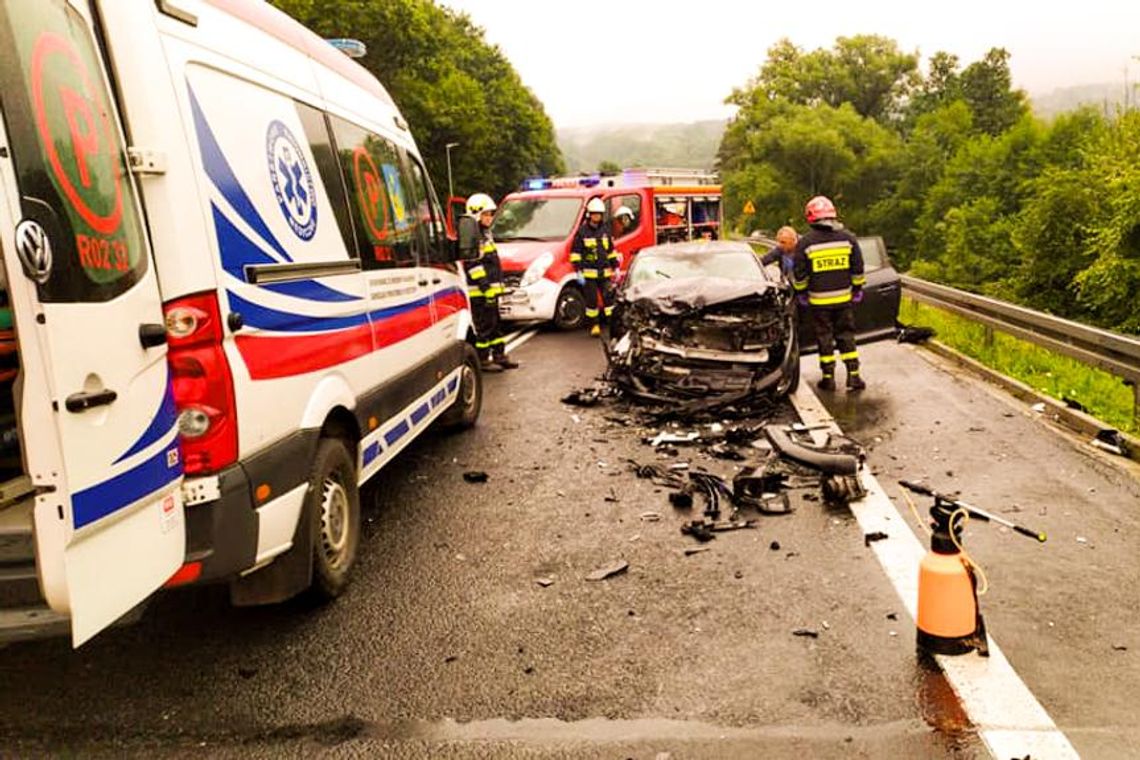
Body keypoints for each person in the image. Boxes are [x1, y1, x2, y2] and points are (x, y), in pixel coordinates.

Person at [792, 196, 866, 391]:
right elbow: (858, 268)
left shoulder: (805, 243)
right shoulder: (849, 238)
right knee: (846, 335)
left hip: (819, 302)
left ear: (810, 217)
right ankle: (854, 376)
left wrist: (801, 294)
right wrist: (857, 289)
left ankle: (828, 378)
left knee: (824, 338)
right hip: (844, 300)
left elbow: (799, 274)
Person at [459, 192, 518, 370]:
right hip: (480, 292)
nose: (490, 218)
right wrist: (486, 288)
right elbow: (474, 266)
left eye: (491, 214)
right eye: (487, 214)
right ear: (477, 214)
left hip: (490, 289)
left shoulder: (485, 233)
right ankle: (483, 360)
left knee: (495, 325)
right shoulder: (472, 236)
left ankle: (499, 355)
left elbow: (491, 262)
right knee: (483, 327)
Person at [570, 197, 618, 336]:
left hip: (605, 273)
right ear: (589, 214)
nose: (597, 216)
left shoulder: (605, 230)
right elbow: (575, 254)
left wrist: (615, 267)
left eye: (599, 214)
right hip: (589, 275)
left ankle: (612, 326)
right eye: (594, 213)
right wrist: (578, 271)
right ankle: (594, 326)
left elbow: (610, 251)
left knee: (609, 301)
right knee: (592, 303)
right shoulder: (582, 232)